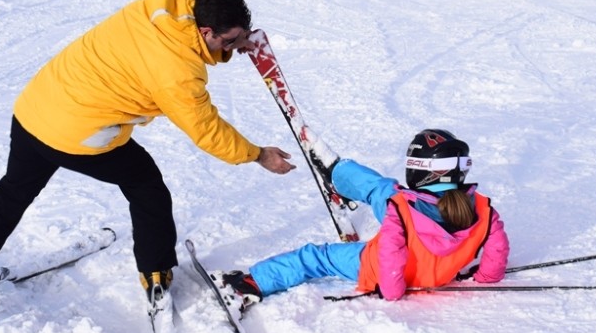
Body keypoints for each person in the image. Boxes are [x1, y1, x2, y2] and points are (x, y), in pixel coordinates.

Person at [0, 0, 294, 311]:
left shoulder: (164, 4)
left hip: (37, 105)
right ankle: (157, 273)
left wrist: (234, 41)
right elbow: (207, 130)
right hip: (75, 130)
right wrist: (259, 154)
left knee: (14, 189)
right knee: (146, 185)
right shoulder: (178, 71)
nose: (234, 47)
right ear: (206, 30)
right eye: (229, 41)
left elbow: (188, 48)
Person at [216, 130, 509, 310]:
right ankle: (337, 172)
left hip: (381, 268)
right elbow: (497, 250)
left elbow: (391, 255)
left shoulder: (400, 210)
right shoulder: (483, 209)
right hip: (438, 267)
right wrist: (485, 277)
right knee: (386, 191)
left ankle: (253, 283)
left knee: (316, 258)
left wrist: (391, 291)